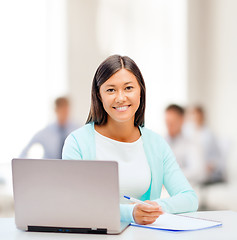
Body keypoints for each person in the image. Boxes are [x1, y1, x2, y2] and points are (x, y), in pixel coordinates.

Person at [62, 55, 198, 225]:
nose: (120, 98)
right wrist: (130, 212)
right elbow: (75, 203)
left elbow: (189, 198)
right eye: (111, 90)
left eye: (128, 88)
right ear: (99, 95)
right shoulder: (77, 142)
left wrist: (155, 207)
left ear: (140, 90)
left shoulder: (156, 143)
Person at [165, 104, 206, 184]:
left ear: (181, 120)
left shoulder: (191, 143)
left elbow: (197, 171)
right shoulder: (161, 141)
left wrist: (170, 176)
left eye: (172, 123)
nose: (169, 127)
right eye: (167, 123)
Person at [184, 106, 224, 183]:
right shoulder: (187, 132)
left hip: (206, 170)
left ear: (203, 116)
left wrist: (211, 165)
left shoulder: (209, 134)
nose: (196, 118)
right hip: (191, 170)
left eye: (198, 116)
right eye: (194, 115)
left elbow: (218, 156)